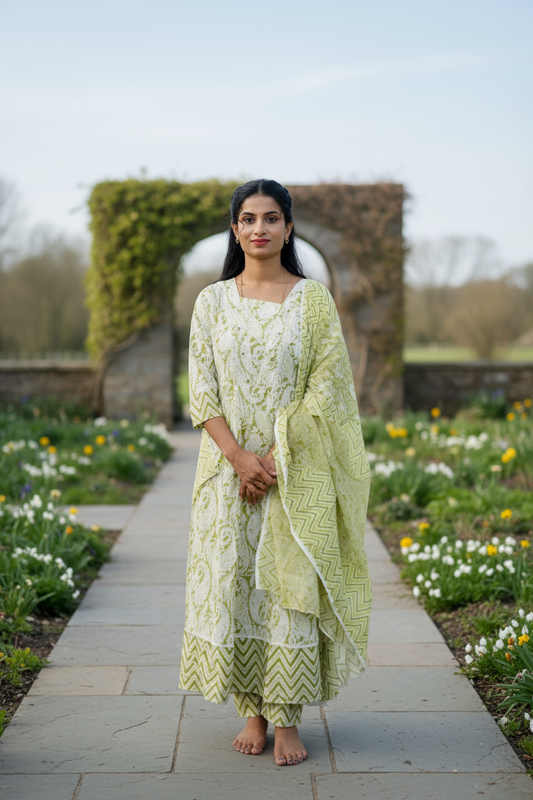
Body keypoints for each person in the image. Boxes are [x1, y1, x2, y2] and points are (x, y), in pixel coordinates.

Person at [179, 178, 372, 767]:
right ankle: (253, 712)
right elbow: (202, 388)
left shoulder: (312, 300)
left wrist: (275, 459)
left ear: (288, 228)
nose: (258, 228)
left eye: (270, 218)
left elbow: (328, 386)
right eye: (248, 219)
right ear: (235, 230)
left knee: (289, 587)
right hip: (226, 473)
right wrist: (239, 458)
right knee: (238, 583)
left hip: (295, 471)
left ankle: (286, 717)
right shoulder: (212, 301)